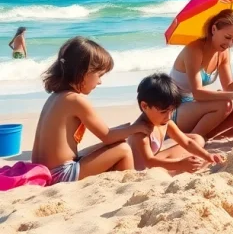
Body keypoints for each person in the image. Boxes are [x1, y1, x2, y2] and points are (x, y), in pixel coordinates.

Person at [32, 37, 149, 185]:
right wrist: (137, 128)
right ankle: (129, 189)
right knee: (123, 149)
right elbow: (107, 136)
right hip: (60, 175)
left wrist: (127, 129)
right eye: (99, 75)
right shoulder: (76, 99)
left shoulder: (56, 96)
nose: (100, 82)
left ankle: (117, 186)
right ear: (83, 72)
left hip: (44, 171)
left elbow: (107, 136)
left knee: (114, 145)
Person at [168, 9, 233, 139]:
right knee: (226, 103)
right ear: (214, 29)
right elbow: (198, 93)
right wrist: (229, 95)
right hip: (173, 107)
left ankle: (210, 136)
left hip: (192, 105)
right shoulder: (194, 50)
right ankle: (194, 139)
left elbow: (230, 87)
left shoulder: (222, 53)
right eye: (227, 37)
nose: (230, 44)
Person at [128, 73, 225, 173]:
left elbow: (187, 142)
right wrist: (180, 164)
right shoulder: (141, 131)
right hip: (144, 169)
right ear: (144, 106)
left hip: (155, 158)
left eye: (172, 110)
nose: (169, 116)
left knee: (196, 139)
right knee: (186, 160)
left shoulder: (165, 121)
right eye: (163, 112)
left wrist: (208, 156)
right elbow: (149, 162)